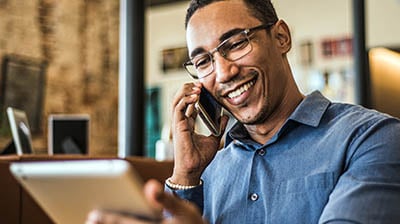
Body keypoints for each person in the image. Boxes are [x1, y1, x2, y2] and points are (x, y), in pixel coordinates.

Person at [86, 0, 400, 223]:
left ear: (281, 37)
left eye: (236, 44)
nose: (222, 73)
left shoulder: (373, 138)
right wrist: (186, 175)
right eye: (203, 62)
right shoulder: (209, 170)